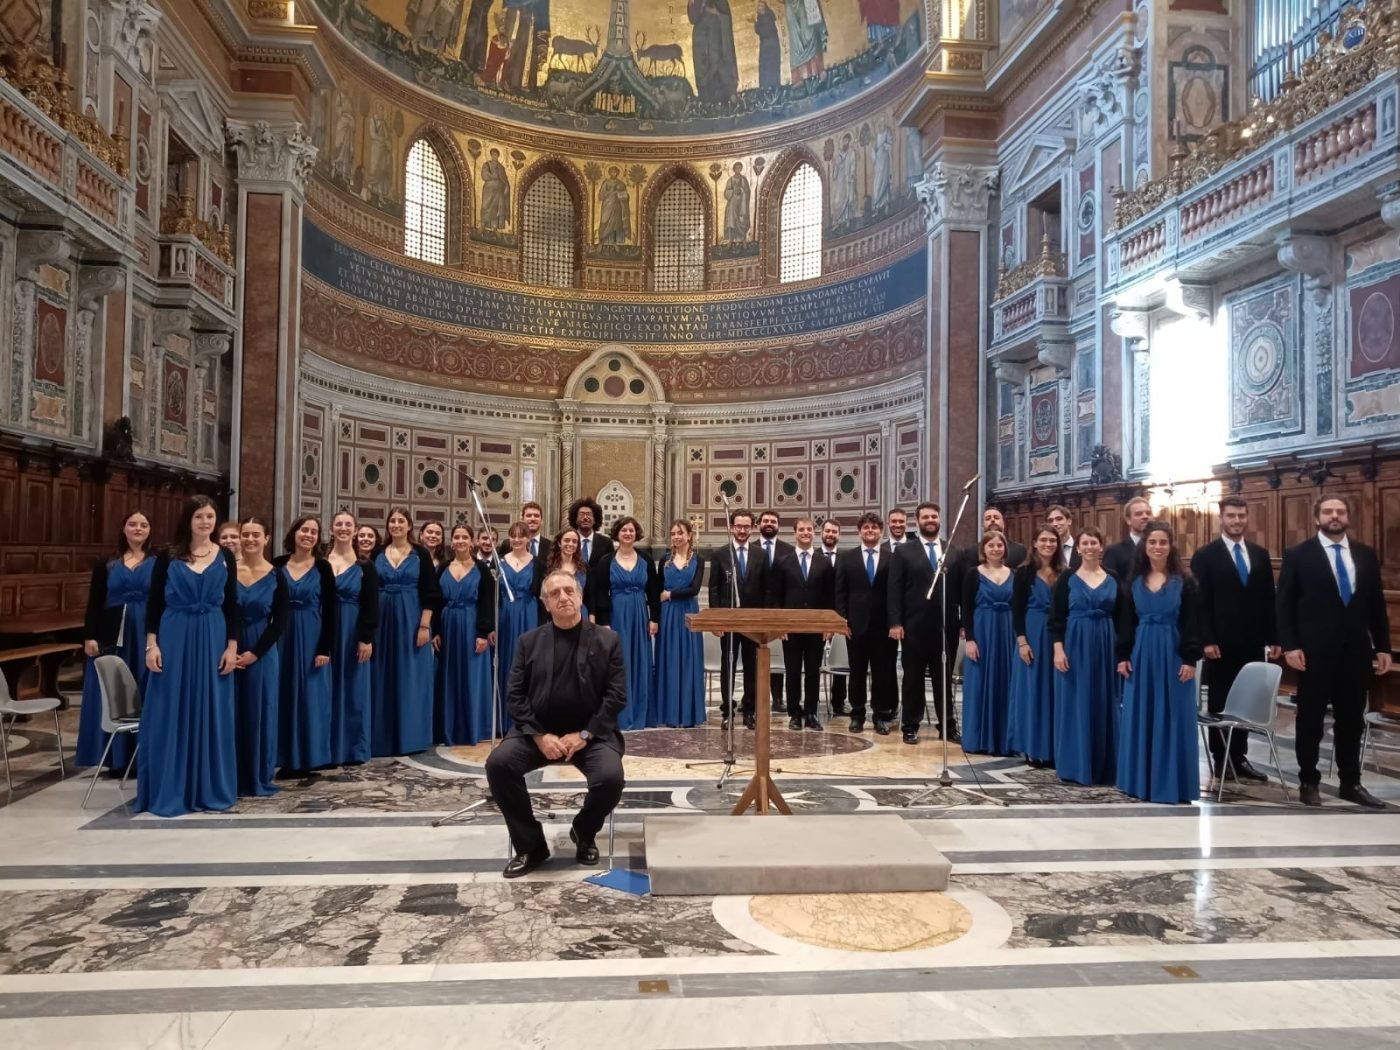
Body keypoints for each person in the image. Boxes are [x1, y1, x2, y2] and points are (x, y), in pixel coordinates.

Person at [485, 571, 627, 878]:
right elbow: (515, 696)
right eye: (554, 594)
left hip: (590, 734)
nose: (563, 597)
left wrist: (585, 734)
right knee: (499, 765)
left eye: (568, 591)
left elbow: (616, 696)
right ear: (545, 604)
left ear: (580, 597)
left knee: (610, 778)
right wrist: (540, 736)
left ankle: (584, 831)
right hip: (538, 732)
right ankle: (531, 846)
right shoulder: (528, 642)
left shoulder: (608, 640)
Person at [1277, 496, 1393, 808]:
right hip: (1313, 652)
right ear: (1317, 518)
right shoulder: (1299, 555)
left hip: (1355, 651)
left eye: (1340, 511)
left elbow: (1376, 605)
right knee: (1311, 719)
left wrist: (1383, 647)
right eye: (1328, 511)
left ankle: (1351, 782)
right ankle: (1308, 781)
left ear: (1347, 517)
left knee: (1351, 720)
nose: (1335, 516)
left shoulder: (1365, 555)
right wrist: (1290, 645)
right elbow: (1284, 605)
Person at [137, 495, 241, 816]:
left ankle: (208, 787)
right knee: (171, 708)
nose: (205, 522)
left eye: (210, 516)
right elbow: (154, 604)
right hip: (174, 635)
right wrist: (152, 645)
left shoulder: (225, 555)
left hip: (213, 635)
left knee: (212, 708)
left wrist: (232, 647)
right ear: (188, 520)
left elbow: (232, 604)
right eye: (199, 516)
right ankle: (171, 787)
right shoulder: (167, 556)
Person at [1190, 496, 1278, 781]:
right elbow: (1200, 602)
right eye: (1231, 516)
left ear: (1247, 517)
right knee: (1221, 701)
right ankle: (1221, 759)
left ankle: (1239, 757)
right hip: (1220, 644)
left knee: (1247, 701)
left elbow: (1269, 599)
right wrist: (1206, 640)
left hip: (1253, 641)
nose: (1237, 521)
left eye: (1241, 516)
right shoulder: (1206, 555)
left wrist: (1274, 637)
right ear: (1221, 518)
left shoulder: (1259, 554)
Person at [1116, 521, 1202, 804]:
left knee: (1173, 716)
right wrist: (1123, 656)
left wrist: (1190, 658)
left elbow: (1192, 622)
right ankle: (1138, 781)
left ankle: (1172, 784)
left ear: (1171, 545)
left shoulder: (1185, 582)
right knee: (1141, 715)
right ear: (1145, 546)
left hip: (1173, 653)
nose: (1157, 547)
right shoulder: (1133, 582)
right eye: (1152, 542)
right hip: (1141, 653)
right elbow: (1126, 622)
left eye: (1163, 542)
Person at [77, 510, 155, 772]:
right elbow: (95, 601)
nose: (138, 528)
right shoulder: (107, 563)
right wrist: (90, 635)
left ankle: (143, 757)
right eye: (132, 524)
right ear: (123, 528)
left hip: (145, 633)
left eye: (144, 525)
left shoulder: (159, 562)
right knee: (115, 691)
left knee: (143, 688)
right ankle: (115, 758)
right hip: (113, 634)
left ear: (150, 530)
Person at [1049, 525, 1125, 786]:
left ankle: (1105, 766)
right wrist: (1058, 650)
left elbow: (1122, 617)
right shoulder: (1067, 578)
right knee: (1076, 702)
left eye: (1094, 542)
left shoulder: (1114, 577)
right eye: (1085, 543)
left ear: (1101, 546)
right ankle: (1075, 766)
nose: (1090, 547)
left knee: (1105, 701)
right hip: (1075, 644)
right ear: (1078, 548)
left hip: (1105, 644)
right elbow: (1056, 618)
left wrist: (1122, 653)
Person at [887, 502, 961, 744]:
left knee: (943, 678)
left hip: (946, 626)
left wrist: (962, 624)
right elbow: (894, 589)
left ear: (939, 520)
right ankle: (910, 725)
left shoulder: (952, 551)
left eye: (934, 516)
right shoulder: (904, 551)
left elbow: (960, 590)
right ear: (917, 521)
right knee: (913, 679)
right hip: (914, 626)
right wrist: (895, 622)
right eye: (925, 517)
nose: (930, 520)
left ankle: (947, 725)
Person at [372, 508, 442, 756]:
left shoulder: (420, 553)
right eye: (392, 521)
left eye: (401, 521)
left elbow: (432, 593)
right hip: (382, 621)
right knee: (382, 675)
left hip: (411, 619)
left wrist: (424, 626)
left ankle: (411, 737)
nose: (396, 525)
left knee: (410, 676)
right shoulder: (378, 552)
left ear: (409, 526)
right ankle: (382, 738)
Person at [277, 516, 338, 773]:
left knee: (311, 696)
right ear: (294, 533)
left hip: (313, 635)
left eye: (314, 532)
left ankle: (309, 756)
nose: (309, 535)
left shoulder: (323, 567)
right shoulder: (277, 564)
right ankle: (282, 755)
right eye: (305, 530)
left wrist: (325, 648)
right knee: (282, 693)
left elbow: (331, 610)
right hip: (282, 635)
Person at [232, 516, 286, 797]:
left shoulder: (277, 575)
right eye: (246, 534)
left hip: (262, 651)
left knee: (259, 710)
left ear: (267, 539)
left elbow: (280, 622)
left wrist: (255, 653)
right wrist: (229, 649)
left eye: (256, 535)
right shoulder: (227, 571)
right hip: (229, 649)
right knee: (230, 712)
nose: (250, 539)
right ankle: (230, 774)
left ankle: (257, 774)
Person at [591, 516, 659, 732]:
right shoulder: (606, 561)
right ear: (617, 534)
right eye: (624, 530)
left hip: (640, 614)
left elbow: (654, 591)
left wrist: (654, 618)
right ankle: (619, 714)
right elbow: (600, 593)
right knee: (619, 663)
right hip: (617, 614)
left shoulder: (646, 560)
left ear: (636, 533)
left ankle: (641, 713)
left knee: (640, 661)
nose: (628, 533)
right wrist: (604, 621)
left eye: (631, 530)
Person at [769, 517, 834, 731]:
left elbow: (829, 596)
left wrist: (828, 626)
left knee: (813, 671)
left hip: (816, 627)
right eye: (801, 529)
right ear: (794, 533)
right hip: (791, 627)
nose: (806, 533)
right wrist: (779, 625)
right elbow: (776, 596)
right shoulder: (782, 562)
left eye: (809, 529)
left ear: (814, 533)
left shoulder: (824, 562)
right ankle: (794, 713)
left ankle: (812, 713)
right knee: (793, 671)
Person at [435, 525, 497, 745]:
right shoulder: (443, 568)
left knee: (472, 676)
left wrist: (482, 633)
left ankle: (473, 728)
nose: (460, 540)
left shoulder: (482, 570)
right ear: (451, 541)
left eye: (465, 537)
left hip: (472, 624)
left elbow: (487, 602)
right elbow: (436, 601)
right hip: (448, 625)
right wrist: (436, 631)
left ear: (473, 542)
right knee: (449, 676)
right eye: (456, 537)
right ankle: (448, 729)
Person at [835, 511, 896, 735]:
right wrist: (843, 621)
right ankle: (857, 715)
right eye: (866, 527)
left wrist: (895, 622)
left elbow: (896, 592)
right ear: (859, 531)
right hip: (855, 625)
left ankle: (880, 716)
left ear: (881, 531)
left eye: (874, 528)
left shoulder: (892, 558)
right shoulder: (847, 557)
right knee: (857, 672)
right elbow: (840, 592)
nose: (870, 531)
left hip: (884, 626)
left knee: (882, 673)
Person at [708, 510, 770, 730]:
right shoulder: (720, 554)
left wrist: (764, 620)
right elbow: (714, 589)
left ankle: (750, 711)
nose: (742, 530)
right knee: (729, 665)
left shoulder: (761, 555)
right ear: (731, 527)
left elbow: (766, 590)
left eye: (746, 526)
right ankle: (727, 711)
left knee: (752, 666)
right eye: (738, 526)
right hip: (729, 620)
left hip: (753, 621)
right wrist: (716, 620)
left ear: (752, 528)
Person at [326, 511, 379, 766]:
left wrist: (366, 638)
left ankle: (352, 748)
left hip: (353, 631)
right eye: (339, 524)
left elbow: (371, 605)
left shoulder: (365, 567)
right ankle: (324, 747)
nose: (343, 528)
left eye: (348, 524)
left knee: (353, 688)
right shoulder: (321, 563)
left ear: (355, 530)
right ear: (331, 529)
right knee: (325, 687)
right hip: (325, 629)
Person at [1010, 525, 1064, 768]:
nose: (1048, 544)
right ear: (1034, 543)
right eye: (1043, 540)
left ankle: (1052, 747)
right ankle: (1032, 746)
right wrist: (1022, 642)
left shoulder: (1065, 573)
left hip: (1056, 635)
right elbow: (1016, 610)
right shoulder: (1023, 573)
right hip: (1032, 633)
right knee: (1032, 691)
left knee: (1055, 692)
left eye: (1052, 540)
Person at [961, 531, 1017, 755]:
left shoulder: (1014, 574)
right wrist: (970, 640)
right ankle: (979, 739)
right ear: (983, 549)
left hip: (1007, 632)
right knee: (979, 683)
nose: (995, 549)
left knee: (1006, 682)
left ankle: (1005, 740)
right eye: (991, 545)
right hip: (982, 631)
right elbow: (966, 608)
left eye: (999, 545)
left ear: (1005, 549)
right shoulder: (973, 574)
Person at [653, 520, 705, 727]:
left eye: (680, 533)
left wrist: (670, 594)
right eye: (673, 533)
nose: (676, 537)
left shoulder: (698, 560)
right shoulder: (664, 560)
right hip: (668, 615)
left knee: (688, 659)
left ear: (689, 535)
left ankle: (688, 713)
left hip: (689, 613)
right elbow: (658, 589)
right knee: (669, 659)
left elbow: (694, 589)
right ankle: (669, 713)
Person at [495, 521, 542, 728]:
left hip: (529, 614)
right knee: (505, 661)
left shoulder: (537, 563)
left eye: (521, 536)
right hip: (505, 615)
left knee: (528, 663)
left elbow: (540, 594)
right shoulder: (499, 561)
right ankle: (504, 720)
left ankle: (528, 718)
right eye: (513, 535)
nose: (516, 539)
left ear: (528, 538)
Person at [820, 519, 848, 715]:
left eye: (834, 532)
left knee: (840, 660)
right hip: (817, 617)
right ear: (822, 533)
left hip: (839, 616)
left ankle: (839, 701)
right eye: (828, 531)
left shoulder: (846, 558)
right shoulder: (812, 555)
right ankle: (811, 702)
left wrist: (841, 619)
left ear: (839, 534)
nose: (830, 534)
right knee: (812, 662)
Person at [1102, 496, 1153, 580]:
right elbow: (1109, 584)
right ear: (1128, 520)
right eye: (1139, 514)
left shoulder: (1162, 549)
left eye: (1148, 513)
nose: (1145, 516)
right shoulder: (1114, 551)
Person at [545, 527, 590, 619]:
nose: (570, 544)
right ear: (559, 543)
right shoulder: (548, 567)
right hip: (557, 613)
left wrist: (592, 617)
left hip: (580, 613)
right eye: (566, 540)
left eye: (574, 541)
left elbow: (590, 595)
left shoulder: (584, 567)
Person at [568, 498, 613, 568]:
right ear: (575, 519)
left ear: (595, 519)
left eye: (589, 514)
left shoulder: (606, 543)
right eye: (581, 514)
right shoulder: (567, 541)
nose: (585, 518)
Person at [1047, 504, 1081, 571]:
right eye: (1050, 521)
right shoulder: (1044, 551)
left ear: (1069, 521)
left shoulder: (1082, 548)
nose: (1054, 524)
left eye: (1059, 519)